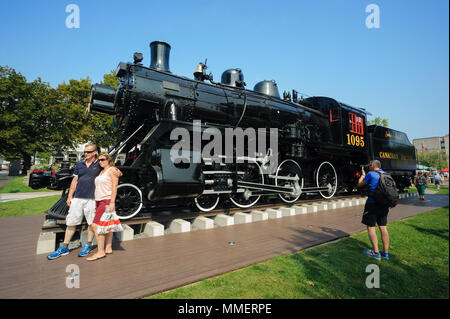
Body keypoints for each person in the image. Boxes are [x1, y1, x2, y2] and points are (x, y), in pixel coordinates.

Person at [47, 144, 121, 260]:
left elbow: (112, 170)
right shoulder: (80, 165)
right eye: (85, 152)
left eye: (89, 152)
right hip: (78, 198)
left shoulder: (99, 163)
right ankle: (64, 247)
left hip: (92, 199)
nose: (86, 154)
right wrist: (70, 196)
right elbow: (75, 181)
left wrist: (118, 171)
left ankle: (88, 245)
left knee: (92, 224)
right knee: (71, 222)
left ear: (94, 152)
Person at [87, 152, 119, 261]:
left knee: (95, 225)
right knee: (108, 224)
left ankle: (100, 252)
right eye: (99, 160)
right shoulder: (102, 171)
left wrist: (112, 202)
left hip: (106, 201)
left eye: (103, 159)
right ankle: (108, 247)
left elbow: (115, 186)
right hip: (99, 200)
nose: (100, 161)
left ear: (108, 160)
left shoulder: (112, 170)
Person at [357, 160, 390, 260]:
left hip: (372, 204)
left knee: (371, 227)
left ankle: (376, 252)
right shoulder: (386, 174)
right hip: (384, 204)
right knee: (383, 227)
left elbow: (359, 184)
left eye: (369, 165)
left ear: (372, 166)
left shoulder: (371, 174)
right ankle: (386, 253)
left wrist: (363, 175)